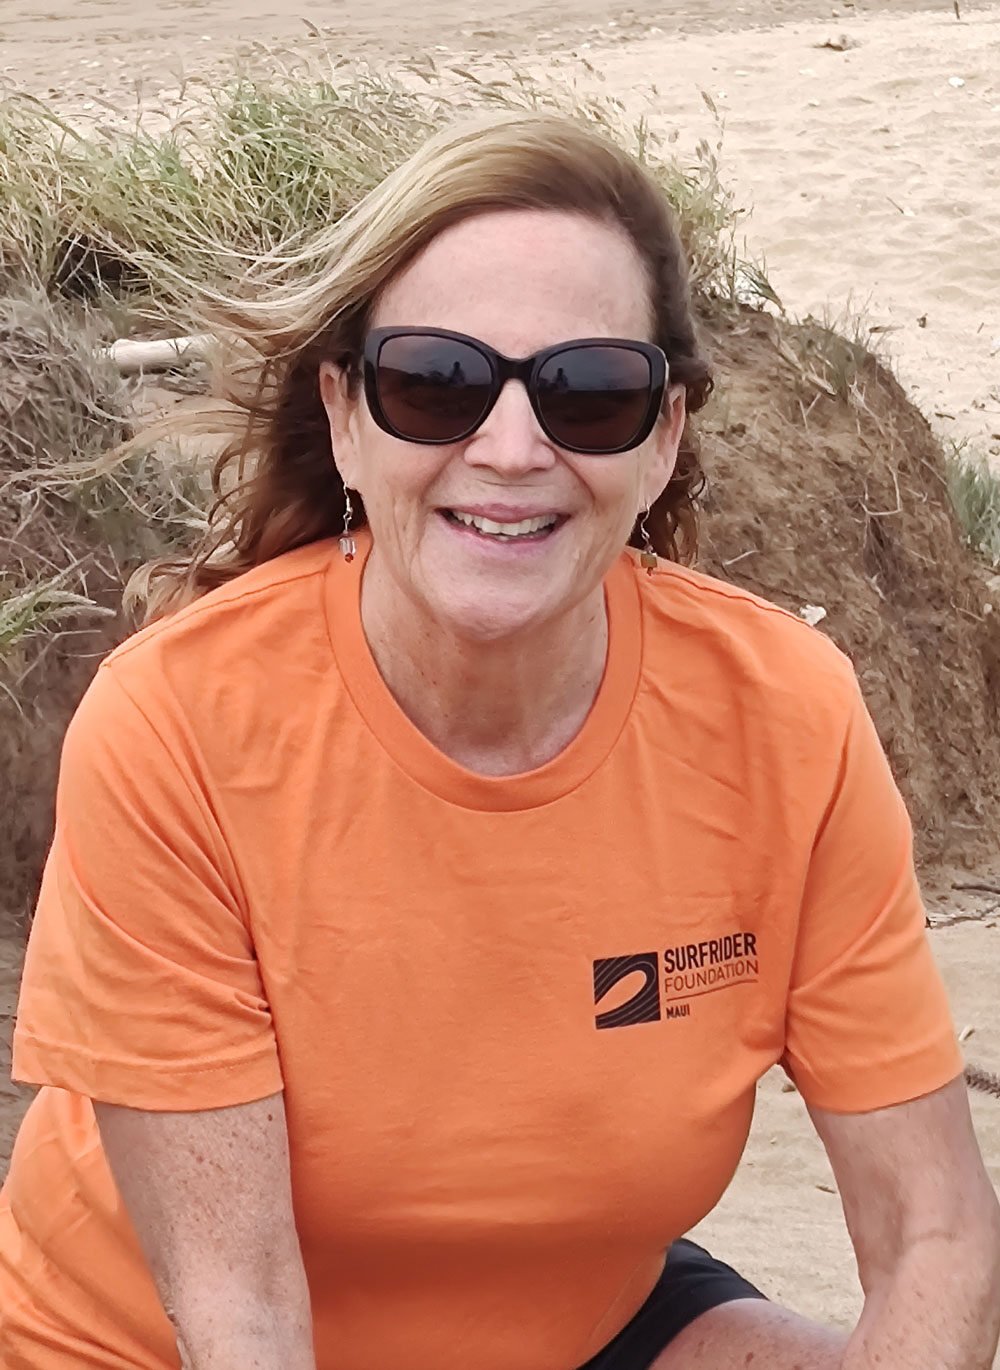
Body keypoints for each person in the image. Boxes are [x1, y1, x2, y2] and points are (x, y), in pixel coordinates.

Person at [1, 110, 998, 1370]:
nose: (511, 448)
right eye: (437, 381)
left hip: (570, 1314)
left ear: (663, 438)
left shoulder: (786, 715)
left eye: (589, 392)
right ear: (349, 419)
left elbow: (937, 1238)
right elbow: (243, 1314)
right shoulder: (179, 729)